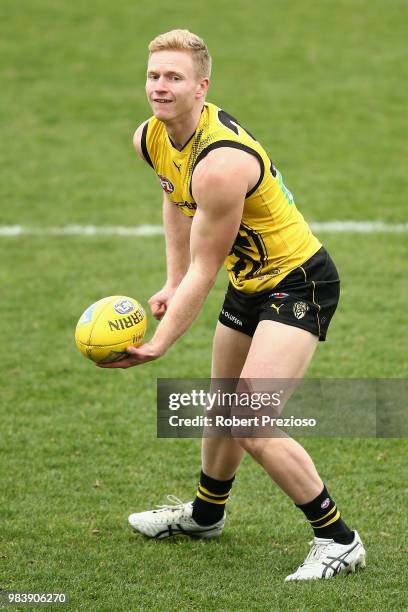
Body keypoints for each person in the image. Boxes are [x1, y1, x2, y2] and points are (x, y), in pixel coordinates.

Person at [98, 29, 366, 581]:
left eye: (174, 77)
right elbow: (176, 201)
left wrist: (159, 342)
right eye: (154, 76)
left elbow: (207, 264)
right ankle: (205, 514)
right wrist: (171, 281)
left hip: (298, 281)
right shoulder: (150, 137)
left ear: (202, 87)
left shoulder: (220, 164)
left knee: (248, 420)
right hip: (251, 280)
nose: (160, 87)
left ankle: (340, 539)